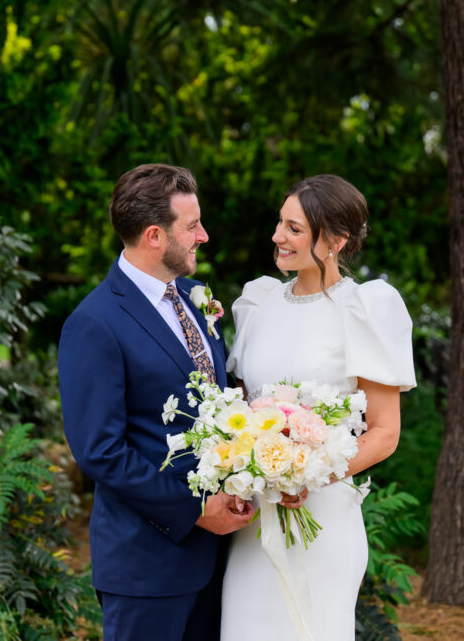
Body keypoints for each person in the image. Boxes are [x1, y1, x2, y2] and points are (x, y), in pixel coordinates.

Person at [58, 164, 254, 641]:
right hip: (147, 563)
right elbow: (100, 450)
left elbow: (218, 404)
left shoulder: (197, 299)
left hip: (220, 561)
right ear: (153, 236)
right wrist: (195, 509)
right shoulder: (95, 322)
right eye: (192, 226)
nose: (203, 236)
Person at [221, 174, 416, 641]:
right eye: (279, 223)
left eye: (294, 228)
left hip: (322, 519)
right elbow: (242, 410)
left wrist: (306, 477)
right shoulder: (258, 302)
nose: (277, 236)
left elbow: (384, 433)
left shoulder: (363, 308)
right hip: (255, 518)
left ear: (335, 241)